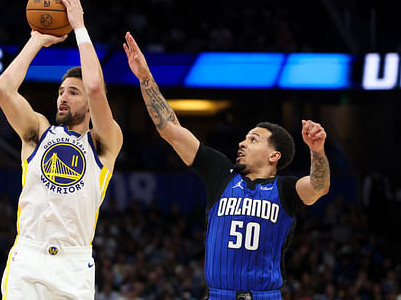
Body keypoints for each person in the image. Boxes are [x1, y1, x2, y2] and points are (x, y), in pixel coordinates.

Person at [123, 32, 330, 300]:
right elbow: (171, 129)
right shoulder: (221, 173)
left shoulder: (286, 189)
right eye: (244, 138)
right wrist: (145, 79)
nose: (242, 143)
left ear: (274, 155)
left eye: (253, 139)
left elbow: (318, 187)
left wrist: (317, 150)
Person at [0, 0, 123, 299]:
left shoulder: (104, 143)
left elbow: (95, 87)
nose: (63, 97)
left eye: (72, 92)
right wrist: (36, 39)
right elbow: (4, 90)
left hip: (74, 264)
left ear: (91, 104)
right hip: (29, 255)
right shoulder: (38, 131)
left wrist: (79, 26)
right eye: (61, 91)